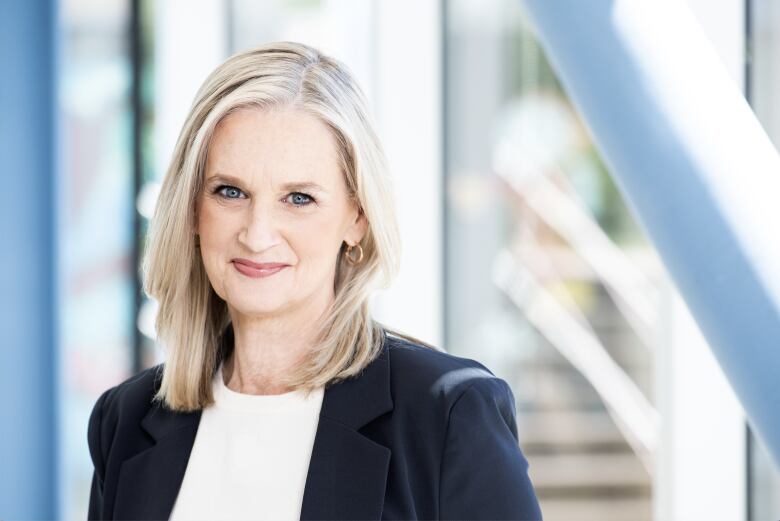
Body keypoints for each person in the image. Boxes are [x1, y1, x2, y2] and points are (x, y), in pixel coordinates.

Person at [86, 41, 542, 521]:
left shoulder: (448, 415)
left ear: (357, 218)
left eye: (299, 198)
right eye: (230, 191)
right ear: (192, 209)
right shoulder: (126, 421)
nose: (257, 234)